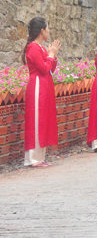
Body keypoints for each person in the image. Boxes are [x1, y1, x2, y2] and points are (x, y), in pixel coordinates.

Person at [23, 17, 61, 167]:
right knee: (37, 119)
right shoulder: (33, 48)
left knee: (43, 119)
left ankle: (40, 157)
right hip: (38, 86)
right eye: (48, 28)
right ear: (42, 30)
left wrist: (53, 55)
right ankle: (33, 158)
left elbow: (50, 69)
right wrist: (51, 55)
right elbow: (44, 68)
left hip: (44, 85)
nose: (49, 31)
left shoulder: (41, 48)